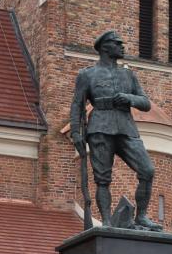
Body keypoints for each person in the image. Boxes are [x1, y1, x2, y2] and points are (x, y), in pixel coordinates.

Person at [69, 30, 162, 231]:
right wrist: (76, 133)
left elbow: (145, 103)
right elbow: (77, 104)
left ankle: (142, 216)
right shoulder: (87, 75)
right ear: (105, 47)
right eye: (117, 43)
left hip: (126, 127)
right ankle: (107, 222)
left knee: (147, 170)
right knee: (103, 179)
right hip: (100, 127)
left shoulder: (128, 75)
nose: (122, 46)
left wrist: (130, 99)